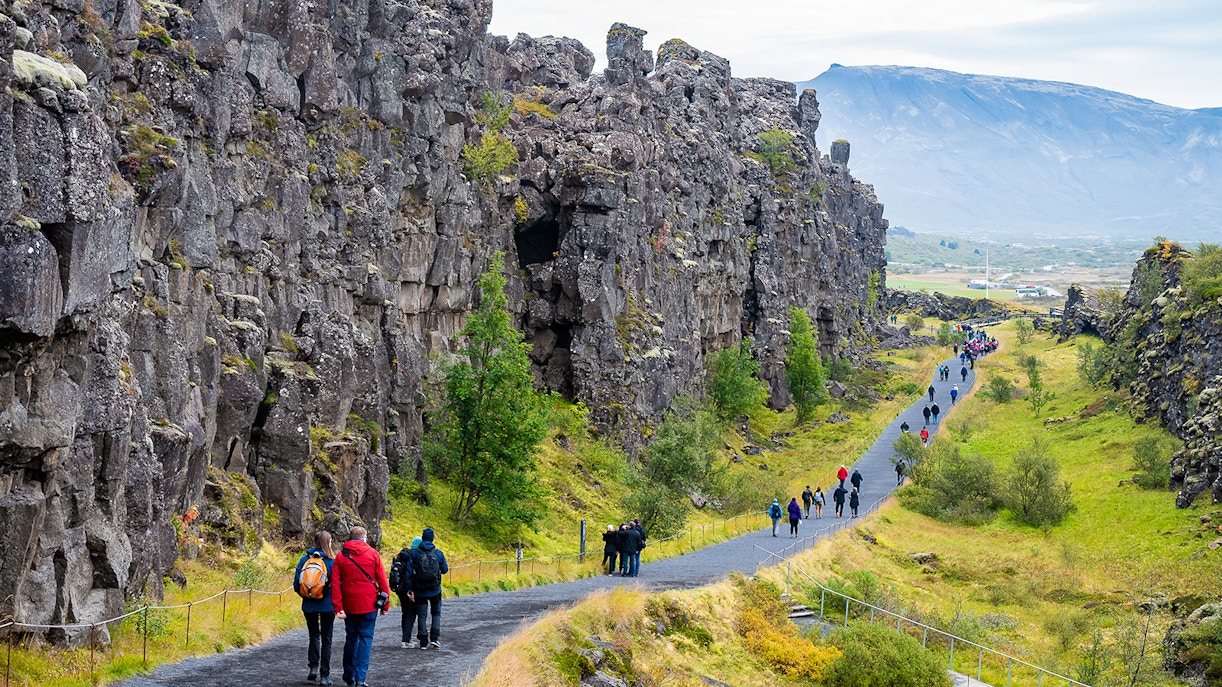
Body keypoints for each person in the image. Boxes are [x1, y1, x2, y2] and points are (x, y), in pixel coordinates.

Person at [331, 526, 388, 687]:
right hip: (369, 604)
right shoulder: (373, 554)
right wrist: (385, 604)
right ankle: (360, 678)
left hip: (349, 604)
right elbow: (383, 580)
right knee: (365, 639)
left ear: (350, 538)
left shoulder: (341, 557)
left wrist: (338, 607)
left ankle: (349, 674)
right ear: (364, 538)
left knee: (351, 638)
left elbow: (335, 583)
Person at [295, 531, 336, 685]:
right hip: (327, 606)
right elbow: (338, 585)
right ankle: (324, 676)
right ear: (328, 542)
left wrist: (308, 596)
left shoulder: (305, 559)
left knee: (313, 635)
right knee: (327, 639)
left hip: (309, 605)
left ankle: (313, 667)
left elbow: (296, 585)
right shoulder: (332, 561)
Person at [410, 527, 449, 650]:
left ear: (422, 538)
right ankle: (435, 638)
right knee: (436, 613)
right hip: (435, 589)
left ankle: (423, 642)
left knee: (422, 615)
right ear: (432, 539)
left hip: (420, 589)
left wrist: (409, 588)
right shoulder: (438, 553)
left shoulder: (415, 553)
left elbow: (409, 572)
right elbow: (445, 570)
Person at [389, 537, 421, 649]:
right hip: (408, 589)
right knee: (411, 613)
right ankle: (406, 640)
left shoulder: (402, 555)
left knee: (405, 612)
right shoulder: (414, 558)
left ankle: (405, 638)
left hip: (399, 589)